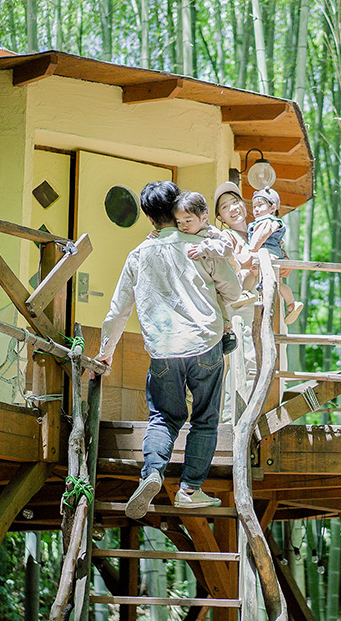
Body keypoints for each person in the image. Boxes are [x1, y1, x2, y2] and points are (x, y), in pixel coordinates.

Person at [96, 181, 241, 517]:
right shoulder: (202, 246)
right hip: (205, 345)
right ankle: (189, 490)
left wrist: (106, 351)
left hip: (163, 352)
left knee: (163, 418)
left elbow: (118, 311)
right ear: (177, 210)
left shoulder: (138, 255)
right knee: (205, 420)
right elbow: (233, 292)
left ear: (149, 218)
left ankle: (152, 473)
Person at [172, 190, 253, 355]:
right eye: (179, 222)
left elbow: (226, 248)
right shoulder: (183, 235)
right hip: (214, 288)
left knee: (215, 296)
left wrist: (204, 248)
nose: (183, 226)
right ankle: (226, 332)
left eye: (188, 221)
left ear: (204, 218)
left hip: (229, 283)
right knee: (213, 297)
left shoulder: (212, 233)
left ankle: (226, 329)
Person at [249, 187, 303, 325]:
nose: (256, 209)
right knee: (278, 283)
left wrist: (252, 249)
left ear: (273, 208)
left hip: (268, 254)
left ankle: (247, 292)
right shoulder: (267, 221)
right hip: (273, 254)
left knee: (258, 275)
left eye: (260, 205)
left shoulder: (268, 221)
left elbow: (260, 237)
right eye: (254, 206)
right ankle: (291, 304)